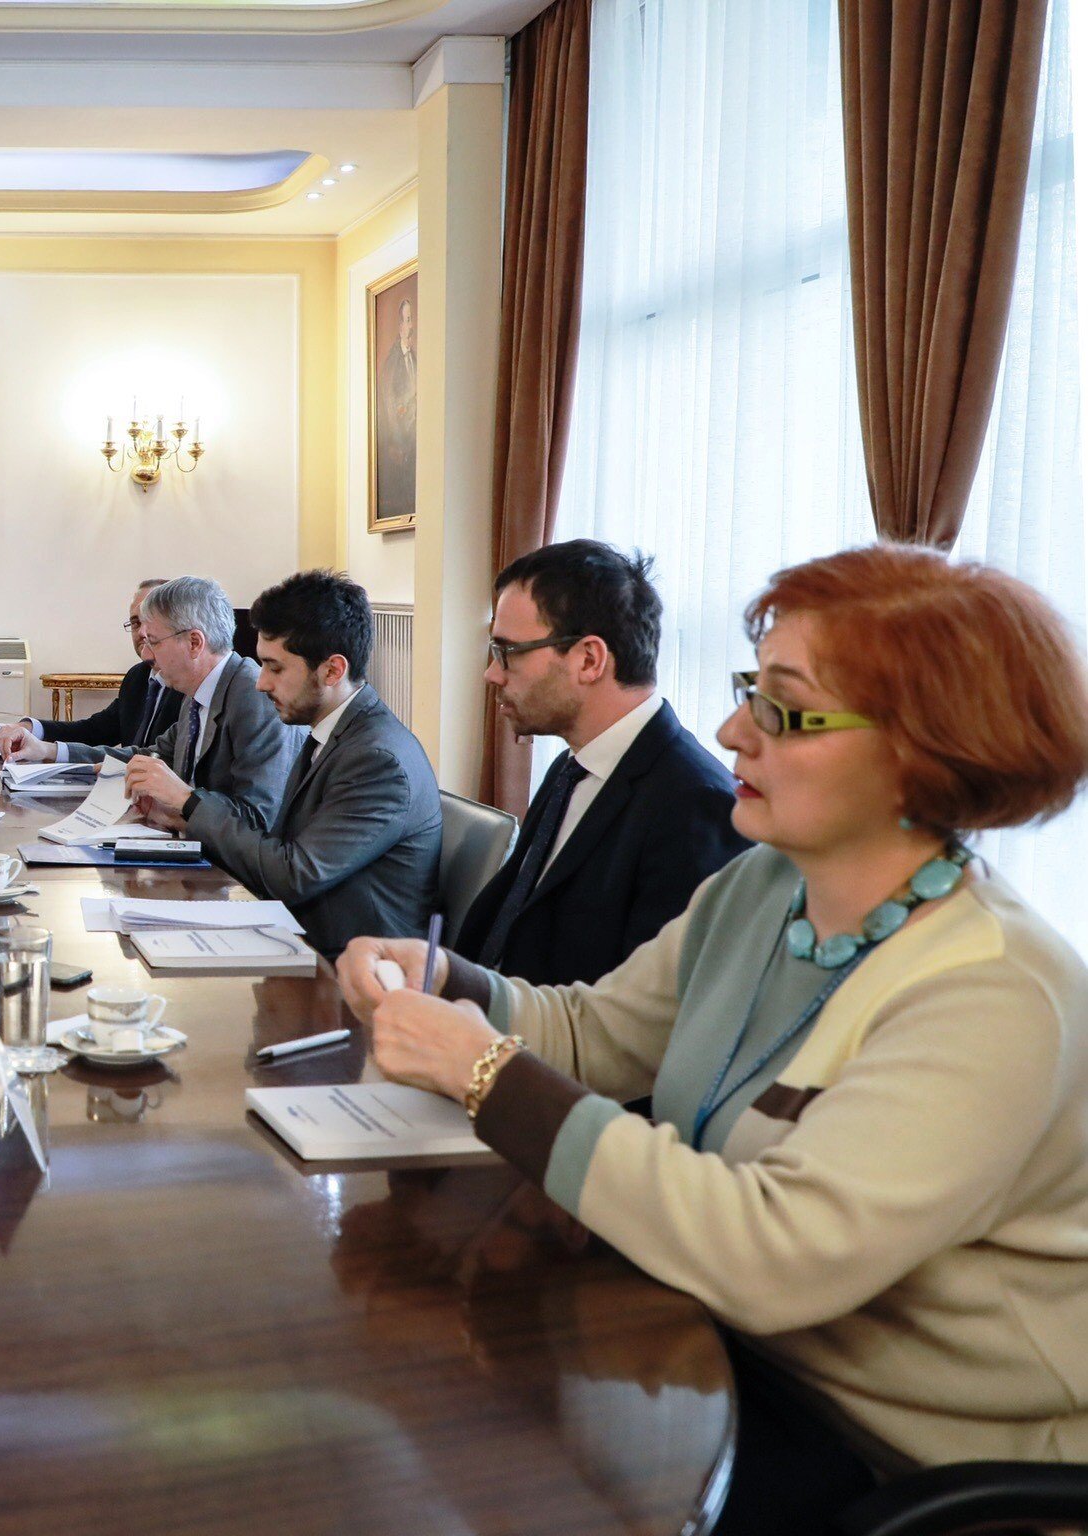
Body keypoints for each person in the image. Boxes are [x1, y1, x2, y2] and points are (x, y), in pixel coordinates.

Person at [338, 545, 1088, 1533]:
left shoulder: (996, 992)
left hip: (919, 1470)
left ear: (924, 752)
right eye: (749, 692)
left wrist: (483, 1070)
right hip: (734, 1364)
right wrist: (449, 982)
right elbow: (600, 1031)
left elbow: (772, 1253)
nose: (734, 730)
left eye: (784, 709)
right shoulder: (762, 885)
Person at [455, 540, 749, 985]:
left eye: (508, 652)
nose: (492, 673)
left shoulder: (695, 804)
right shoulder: (570, 768)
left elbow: (649, 1006)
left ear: (589, 660)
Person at [182, 570, 438, 956]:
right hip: (301, 940)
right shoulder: (331, 731)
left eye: (276, 668)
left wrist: (190, 805)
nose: (261, 683)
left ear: (332, 670)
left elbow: (293, 875)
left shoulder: (377, 761)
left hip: (349, 968)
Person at [0, 575, 298, 833]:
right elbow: (147, 756)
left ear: (194, 643)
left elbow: (258, 819)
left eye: (154, 641)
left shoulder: (253, 696)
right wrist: (48, 751)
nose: (146, 655)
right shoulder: (199, 692)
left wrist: (183, 803)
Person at [0, 579, 181, 756]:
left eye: (150, 621)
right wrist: (31, 727)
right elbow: (94, 731)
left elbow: (153, 758)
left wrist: (49, 750)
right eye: (136, 623)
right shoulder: (138, 676)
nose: (143, 632)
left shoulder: (186, 686)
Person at [374, 297, 416, 525]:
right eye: (407, 320)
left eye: (412, 320)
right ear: (400, 326)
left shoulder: (416, 361)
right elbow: (390, 407)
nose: (411, 326)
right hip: (399, 449)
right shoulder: (392, 364)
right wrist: (399, 445)